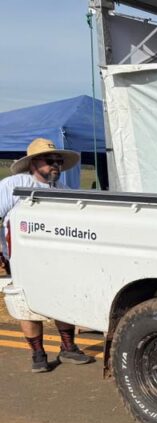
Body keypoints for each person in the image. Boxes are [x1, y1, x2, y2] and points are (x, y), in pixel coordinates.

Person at [0, 138, 95, 372]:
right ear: (33, 163)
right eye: (50, 161)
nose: (56, 165)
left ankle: (68, 347)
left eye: (58, 161)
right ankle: (38, 354)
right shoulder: (14, 184)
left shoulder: (63, 191)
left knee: (64, 299)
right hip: (21, 259)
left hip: (57, 258)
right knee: (27, 304)